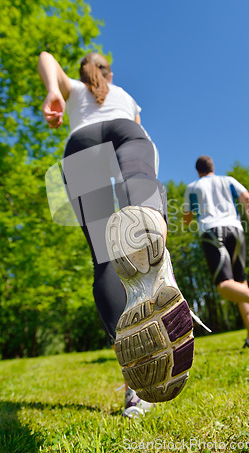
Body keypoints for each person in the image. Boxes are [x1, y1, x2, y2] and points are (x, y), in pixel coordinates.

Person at [38, 51, 194, 415]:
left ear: (81, 72)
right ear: (110, 70)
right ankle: (150, 221)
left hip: (80, 143)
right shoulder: (125, 96)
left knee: (105, 261)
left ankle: (133, 382)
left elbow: (46, 56)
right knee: (139, 183)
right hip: (129, 133)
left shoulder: (74, 88)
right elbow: (142, 134)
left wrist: (52, 91)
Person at [183, 155, 249, 348]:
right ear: (213, 167)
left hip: (212, 231)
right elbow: (247, 199)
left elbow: (187, 217)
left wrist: (187, 218)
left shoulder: (193, 187)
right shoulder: (228, 180)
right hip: (236, 230)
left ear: (198, 171)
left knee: (224, 286)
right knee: (240, 283)